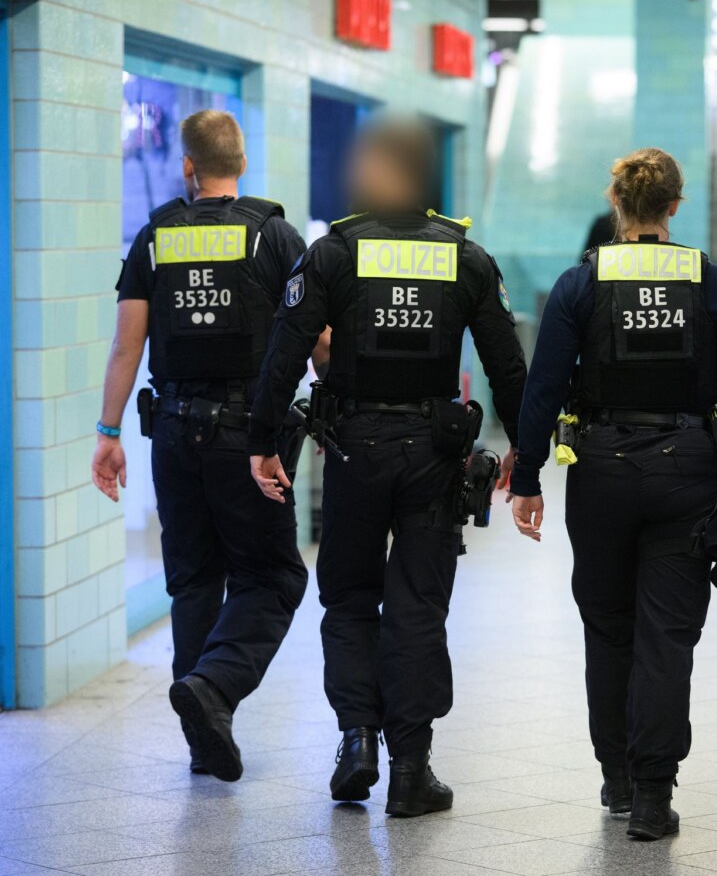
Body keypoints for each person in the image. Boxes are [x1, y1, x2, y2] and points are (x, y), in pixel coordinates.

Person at [246, 118, 527, 815]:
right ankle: (410, 770)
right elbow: (507, 366)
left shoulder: (334, 252)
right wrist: (525, 449)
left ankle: (355, 741)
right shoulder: (465, 258)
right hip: (434, 454)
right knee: (419, 605)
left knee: (348, 597)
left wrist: (262, 440)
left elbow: (286, 352)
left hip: (351, 450)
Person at [510, 148, 717, 840]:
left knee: (609, 628)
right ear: (675, 207)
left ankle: (617, 775)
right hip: (689, 470)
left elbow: (545, 388)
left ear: (617, 205)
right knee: (666, 636)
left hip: (601, 473)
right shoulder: (712, 282)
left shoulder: (581, 282)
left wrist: (527, 476)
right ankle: (653, 794)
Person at [91, 110, 311, 782]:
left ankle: (202, 733)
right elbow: (317, 337)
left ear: (188, 165)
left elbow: (128, 344)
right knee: (271, 577)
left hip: (173, 437)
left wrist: (107, 433)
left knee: (192, 581)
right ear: (240, 163)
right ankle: (214, 691)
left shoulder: (155, 236)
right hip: (247, 436)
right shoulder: (273, 235)